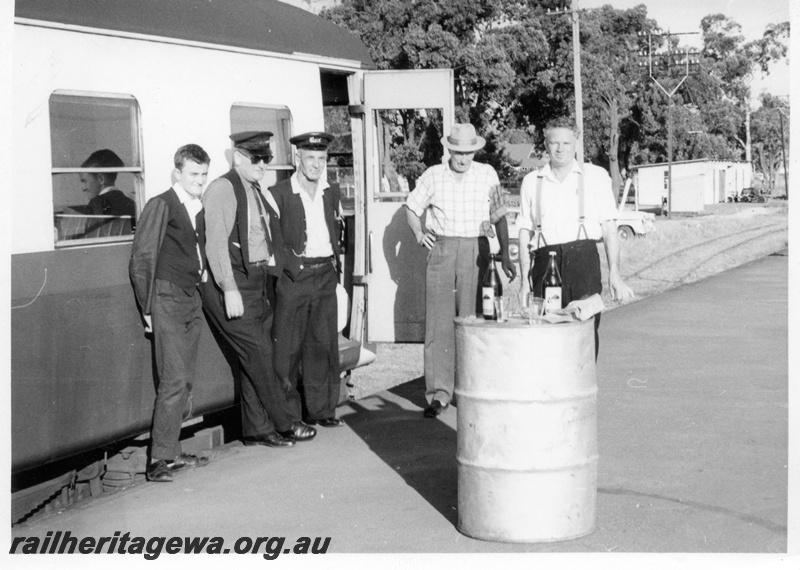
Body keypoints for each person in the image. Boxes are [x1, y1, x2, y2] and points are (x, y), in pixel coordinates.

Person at [201, 131, 316, 448]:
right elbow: (215, 244)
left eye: (266, 158)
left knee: (256, 356)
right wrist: (229, 288)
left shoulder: (254, 189)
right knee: (261, 355)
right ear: (237, 157)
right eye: (256, 158)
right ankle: (286, 424)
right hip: (232, 283)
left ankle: (257, 428)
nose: (263, 164)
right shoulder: (223, 188)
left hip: (254, 282)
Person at [405, 123, 516, 418]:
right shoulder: (433, 176)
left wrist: (505, 255)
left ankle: (473, 388)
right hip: (442, 249)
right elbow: (411, 207)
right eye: (458, 151)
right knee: (439, 323)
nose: (463, 158)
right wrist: (419, 234)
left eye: (468, 152)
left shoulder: (487, 174)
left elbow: (500, 215)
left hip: (477, 251)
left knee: (476, 321)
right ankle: (439, 393)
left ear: (474, 151)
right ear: (449, 149)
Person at [129, 144, 212, 482]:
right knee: (174, 379)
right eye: (194, 174)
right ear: (177, 173)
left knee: (185, 379)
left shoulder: (197, 206)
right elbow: (142, 258)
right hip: (166, 297)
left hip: (190, 297)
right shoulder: (161, 204)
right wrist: (147, 308)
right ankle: (158, 461)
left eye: (204, 175)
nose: (200, 181)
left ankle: (172, 453)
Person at [518, 116, 634, 357]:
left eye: (566, 143)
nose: (560, 149)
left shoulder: (596, 176)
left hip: (583, 265)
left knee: (584, 336)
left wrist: (615, 274)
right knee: (545, 336)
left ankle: (582, 393)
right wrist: (523, 283)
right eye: (554, 143)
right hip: (544, 264)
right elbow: (523, 232)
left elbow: (610, 228)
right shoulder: (532, 181)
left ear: (577, 143)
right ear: (546, 143)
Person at [270, 132, 344, 428]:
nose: (316, 164)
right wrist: (293, 265)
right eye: (310, 158)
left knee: (323, 346)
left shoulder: (331, 191)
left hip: (325, 274)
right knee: (288, 349)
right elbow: (273, 241)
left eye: (322, 158)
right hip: (295, 278)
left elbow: (336, 230)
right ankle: (288, 418)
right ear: (297, 159)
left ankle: (322, 411)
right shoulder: (279, 194)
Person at [80, 149, 137, 225]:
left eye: (85, 181)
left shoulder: (95, 204)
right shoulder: (130, 203)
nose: (83, 188)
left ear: (101, 179)